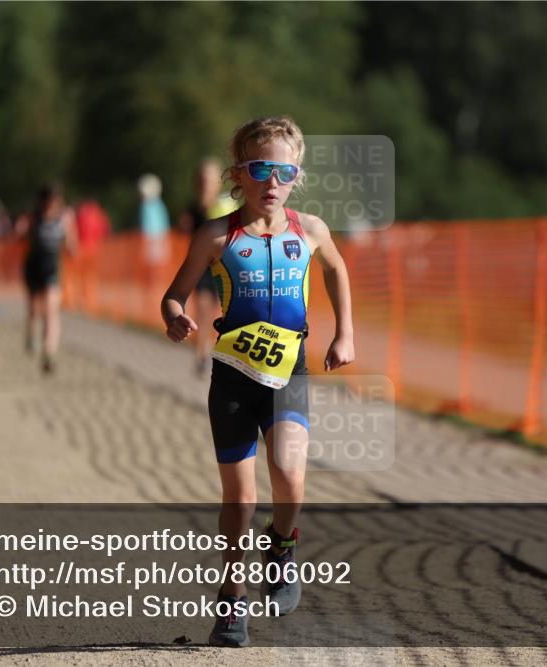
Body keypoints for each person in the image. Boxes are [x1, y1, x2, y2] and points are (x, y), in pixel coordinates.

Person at [161, 116, 355, 647]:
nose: (272, 181)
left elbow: (336, 269)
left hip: (288, 371)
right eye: (260, 168)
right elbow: (173, 294)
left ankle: (283, 546)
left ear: (297, 175)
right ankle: (230, 604)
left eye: (284, 170)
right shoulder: (217, 234)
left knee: (291, 475)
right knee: (240, 499)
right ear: (238, 175)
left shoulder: (310, 230)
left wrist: (345, 333)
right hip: (233, 378)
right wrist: (175, 315)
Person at [20, 184, 77, 375]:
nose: (52, 207)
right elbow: (22, 237)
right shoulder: (34, 217)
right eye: (49, 203)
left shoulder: (65, 218)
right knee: (34, 310)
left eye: (55, 203)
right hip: (34, 267)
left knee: (51, 312)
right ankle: (31, 335)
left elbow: (71, 244)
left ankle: (49, 353)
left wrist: (71, 248)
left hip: (52, 269)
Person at [177, 158, 226, 376]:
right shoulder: (193, 209)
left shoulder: (226, 206)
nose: (206, 184)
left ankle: (224, 356)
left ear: (219, 183)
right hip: (203, 268)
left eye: (210, 180)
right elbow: (186, 234)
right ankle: (202, 356)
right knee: (204, 311)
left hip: (226, 267)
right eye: (203, 180)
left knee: (225, 313)